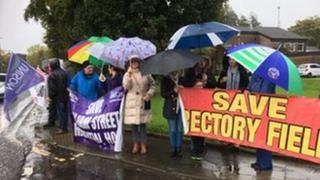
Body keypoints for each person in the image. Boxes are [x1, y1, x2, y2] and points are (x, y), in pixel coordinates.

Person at [122, 56, 156, 154]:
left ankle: (143, 145)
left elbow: (153, 85)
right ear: (130, 63)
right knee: (134, 126)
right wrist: (128, 75)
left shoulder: (146, 72)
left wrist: (149, 94)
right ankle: (136, 144)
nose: (134, 63)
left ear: (139, 63)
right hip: (132, 102)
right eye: (132, 62)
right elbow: (126, 87)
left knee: (142, 125)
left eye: (136, 62)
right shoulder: (127, 75)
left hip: (143, 100)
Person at [248, 74, 275, 171]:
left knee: (265, 136)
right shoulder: (256, 73)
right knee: (258, 135)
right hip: (257, 108)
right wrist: (247, 90)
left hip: (266, 109)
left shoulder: (271, 76)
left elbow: (265, 91)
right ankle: (259, 161)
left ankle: (266, 164)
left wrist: (252, 89)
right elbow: (250, 87)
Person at [160, 75, 183, 157]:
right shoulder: (165, 79)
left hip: (181, 106)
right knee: (173, 129)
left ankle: (179, 148)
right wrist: (173, 91)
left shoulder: (181, 78)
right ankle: (173, 148)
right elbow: (163, 94)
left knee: (180, 129)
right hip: (170, 107)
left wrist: (182, 88)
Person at [47, 59, 69, 134]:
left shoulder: (52, 75)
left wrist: (50, 97)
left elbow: (52, 88)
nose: (48, 67)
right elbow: (68, 84)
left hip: (58, 98)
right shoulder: (65, 73)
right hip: (65, 96)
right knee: (65, 112)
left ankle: (62, 128)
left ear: (53, 65)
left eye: (49, 65)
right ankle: (64, 127)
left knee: (61, 113)